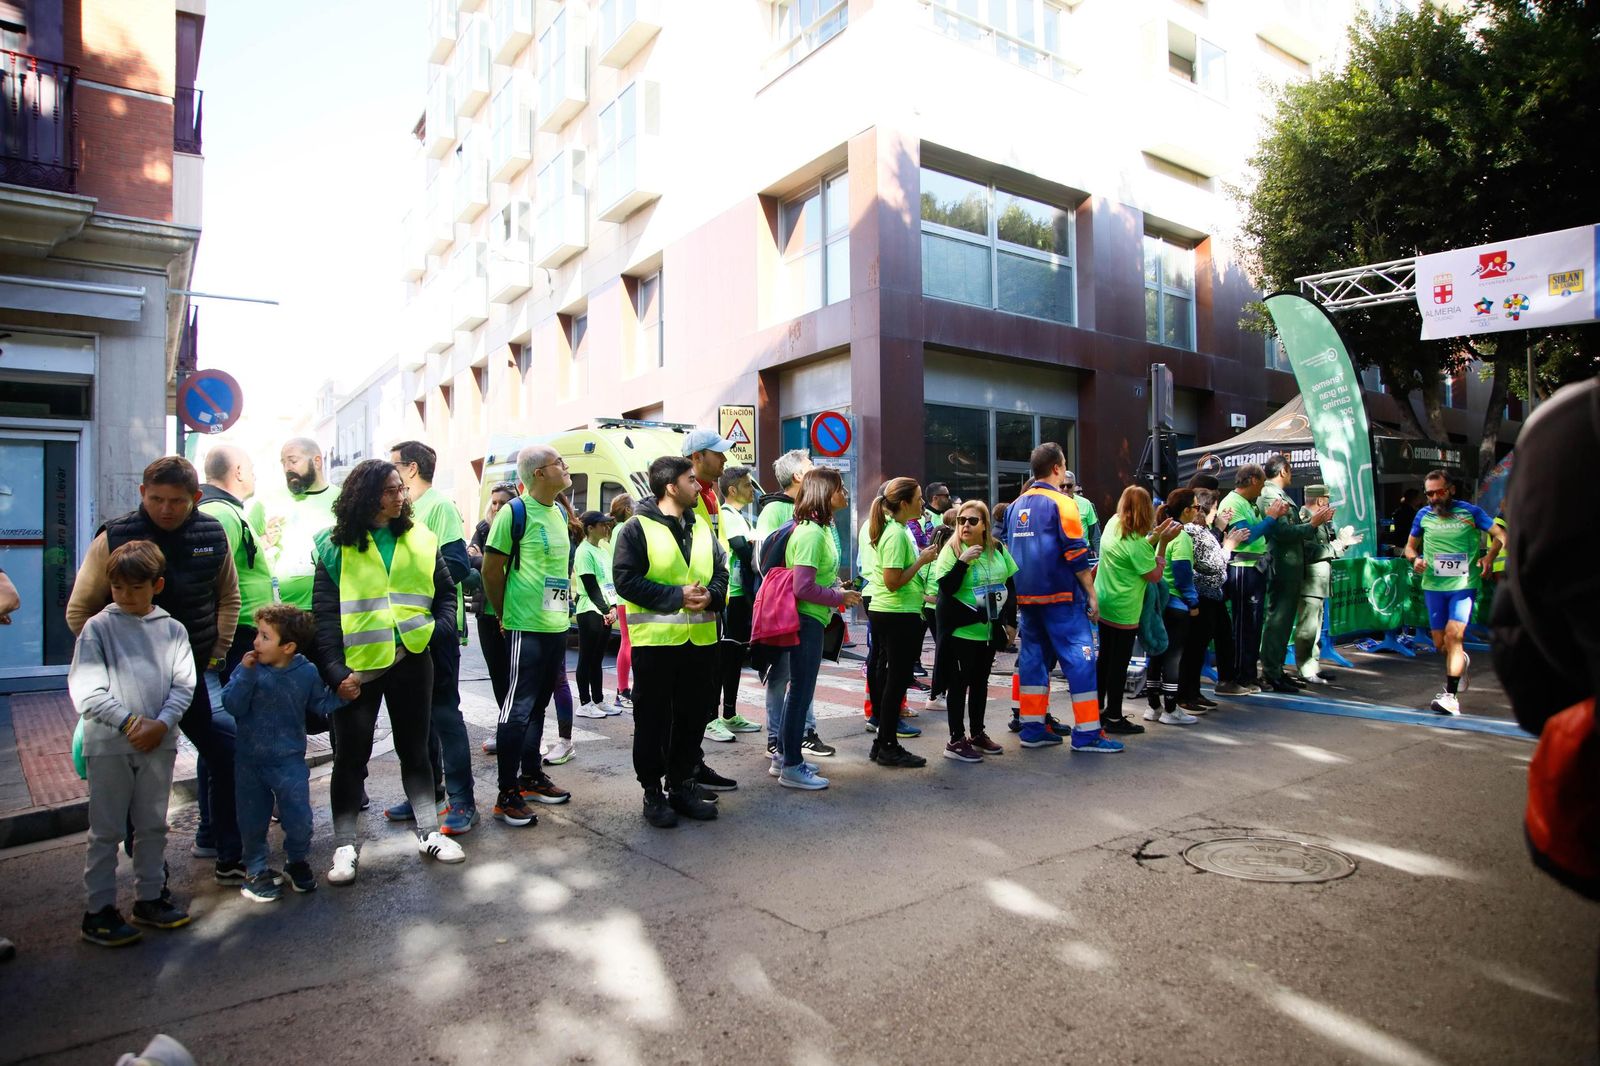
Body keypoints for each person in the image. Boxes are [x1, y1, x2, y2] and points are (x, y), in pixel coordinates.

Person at [67, 456, 245, 884]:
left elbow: (229, 597)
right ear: (142, 494)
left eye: (177, 501)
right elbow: (80, 611)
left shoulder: (212, 533)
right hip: (129, 688)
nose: (166, 508)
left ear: (195, 499)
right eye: (158, 499)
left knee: (225, 752)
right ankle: (147, 864)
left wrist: (216, 654)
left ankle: (227, 852)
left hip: (193, 675)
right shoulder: (115, 537)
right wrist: (115, 657)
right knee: (135, 770)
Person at [310, 458, 465, 883]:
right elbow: (323, 616)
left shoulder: (422, 537)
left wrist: (438, 632)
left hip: (413, 659)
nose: (401, 496)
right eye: (390, 490)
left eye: (402, 488)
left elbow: (446, 593)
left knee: (416, 750)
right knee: (350, 758)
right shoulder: (332, 544)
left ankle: (429, 832)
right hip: (357, 671)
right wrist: (334, 670)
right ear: (365, 495)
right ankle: (345, 846)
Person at [71, 541, 197, 946]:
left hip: (158, 744)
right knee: (105, 831)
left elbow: (184, 685)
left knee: (152, 826)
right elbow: (87, 691)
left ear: (156, 585)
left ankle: (149, 897)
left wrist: (160, 725)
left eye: (135, 588)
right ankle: (99, 910)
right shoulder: (97, 628)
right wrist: (129, 723)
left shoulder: (172, 629)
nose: (125, 597)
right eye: (118, 588)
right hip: (109, 745)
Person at [612, 456, 729, 823]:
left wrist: (711, 595)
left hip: (701, 641)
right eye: (691, 480)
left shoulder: (702, 528)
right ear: (671, 487)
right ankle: (652, 793)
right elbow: (625, 581)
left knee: (693, 718)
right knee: (653, 720)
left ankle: (681, 786)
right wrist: (676, 596)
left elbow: (723, 573)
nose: (698, 486)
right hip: (657, 643)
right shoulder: (635, 528)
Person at [481, 444, 577, 829]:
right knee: (517, 708)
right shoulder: (513, 513)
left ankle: (530, 776)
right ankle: (506, 795)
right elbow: (491, 570)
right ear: (539, 473)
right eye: (560, 463)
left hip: (555, 626)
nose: (566, 467)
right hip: (526, 626)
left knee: (538, 706)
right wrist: (506, 614)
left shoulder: (556, 510)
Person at [221, 603, 341, 902]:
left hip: (289, 760)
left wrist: (343, 696)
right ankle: (256, 869)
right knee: (252, 818)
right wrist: (246, 675)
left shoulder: (305, 671)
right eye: (258, 634)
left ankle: (296, 860)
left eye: (264, 636)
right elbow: (232, 705)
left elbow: (320, 705)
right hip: (249, 761)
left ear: (288, 647)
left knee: (299, 816)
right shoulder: (248, 667)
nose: (255, 643)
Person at [388, 441, 477, 835]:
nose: (389, 475)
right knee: (415, 719)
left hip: (435, 631)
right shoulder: (399, 511)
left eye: (393, 467)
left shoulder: (437, 506)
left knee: (443, 714)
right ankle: (426, 794)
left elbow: (457, 565)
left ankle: (462, 801)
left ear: (410, 469)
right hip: (404, 632)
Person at [1005, 443, 1116, 752]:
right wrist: (1091, 594)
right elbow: (1076, 552)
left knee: (1032, 661)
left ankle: (1032, 727)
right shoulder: (1063, 503)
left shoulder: (1016, 505)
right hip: (1062, 597)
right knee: (1081, 662)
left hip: (1028, 599)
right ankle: (1087, 734)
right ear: (1057, 468)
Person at [771, 467, 862, 788]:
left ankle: (784, 755)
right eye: (840, 489)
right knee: (800, 694)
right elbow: (802, 587)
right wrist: (840, 596)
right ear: (825, 493)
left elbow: (813, 580)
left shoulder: (818, 530)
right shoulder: (810, 532)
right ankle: (792, 766)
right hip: (806, 621)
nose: (845, 494)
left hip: (813, 620)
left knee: (798, 692)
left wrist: (837, 586)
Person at [1405, 470, 1503, 714]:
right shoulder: (1423, 515)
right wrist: (1414, 559)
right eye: (1430, 494)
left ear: (1451, 490)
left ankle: (1451, 696)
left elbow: (1500, 535)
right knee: (1441, 643)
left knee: (1454, 635)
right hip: (1433, 586)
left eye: (1440, 491)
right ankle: (1460, 662)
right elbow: (1409, 547)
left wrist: (1489, 558)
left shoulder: (1470, 512)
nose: (1435, 498)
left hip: (1463, 585)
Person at [756, 448, 831, 756]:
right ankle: (777, 738)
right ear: (799, 475)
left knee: (803, 676)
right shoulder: (774, 510)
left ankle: (804, 732)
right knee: (782, 674)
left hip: (811, 603)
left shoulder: (816, 513)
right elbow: (763, 560)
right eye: (811, 466)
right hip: (787, 605)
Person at [930, 500, 1017, 762]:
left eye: (972, 521)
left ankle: (977, 733)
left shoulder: (998, 548)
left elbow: (1010, 585)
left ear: (985, 525)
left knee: (980, 683)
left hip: (987, 630)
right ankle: (956, 739)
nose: (965, 525)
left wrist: (1011, 623)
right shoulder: (952, 549)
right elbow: (946, 589)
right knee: (959, 685)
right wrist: (963, 562)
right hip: (961, 632)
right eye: (961, 520)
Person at [1095, 486, 1182, 733]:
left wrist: (1154, 536)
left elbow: (1138, 549)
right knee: (1118, 665)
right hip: (1125, 609)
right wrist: (1162, 544)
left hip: (1105, 602)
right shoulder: (1137, 545)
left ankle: (1098, 711)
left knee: (1105, 661)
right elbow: (1154, 575)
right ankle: (1114, 717)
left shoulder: (1112, 524)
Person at [863, 478, 936, 769]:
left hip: (894, 612)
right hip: (895, 613)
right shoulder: (894, 533)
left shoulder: (898, 529)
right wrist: (922, 560)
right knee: (896, 681)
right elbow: (893, 581)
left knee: (890, 678)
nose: (923, 503)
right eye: (919, 498)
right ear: (903, 503)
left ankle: (883, 742)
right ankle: (888, 745)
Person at [1257, 455, 1334, 693]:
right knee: (1278, 622)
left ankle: (1277, 670)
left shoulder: (1279, 496)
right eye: (1289, 471)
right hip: (1283, 566)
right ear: (1283, 472)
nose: (1291, 476)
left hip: (1290, 567)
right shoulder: (1271, 496)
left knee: (1283, 621)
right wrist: (1312, 524)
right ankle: (1271, 671)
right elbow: (1282, 532)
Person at [1214, 463, 1289, 696]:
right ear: (1254, 480)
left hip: (1255, 567)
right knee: (1244, 625)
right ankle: (1239, 675)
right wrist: (1271, 518)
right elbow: (1247, 537)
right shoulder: (1232, 504)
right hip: (1242, 568)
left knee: (1254, 625)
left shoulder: (1248, 503)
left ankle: (1249, 673)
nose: (1263, 489)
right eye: (1262, 483)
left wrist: (1268, 520)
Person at [199, 445, 274, 680]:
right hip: (237, 634)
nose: (255, 476)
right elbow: (211, 577)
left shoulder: (228, 511)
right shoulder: (222, 514)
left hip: (242, 630)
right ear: (239, 471)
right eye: (252, 469)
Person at [1177, 488, 1248, 712]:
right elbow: (1211, 564)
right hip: (1200, 596)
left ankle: (1194, 693)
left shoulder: (1204, 531)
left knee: (1202, 646)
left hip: (1211, 595)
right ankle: (1185, 695)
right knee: (1193, 648)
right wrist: (1228, 547)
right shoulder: (1193, 532)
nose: (1218, 513)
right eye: (1215, 508)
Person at [709, 466, 763, 741]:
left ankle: (729, 713)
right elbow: (744, 551)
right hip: (731, 595)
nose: (752, 490)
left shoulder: (741, 517)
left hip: (742, 596)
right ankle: (710, 718)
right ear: (732, 490)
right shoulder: (727, 515)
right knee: (722, 659)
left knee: (734, 657)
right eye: (747, 485)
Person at [1142, 489, 1201, 725]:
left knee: (1156, 652)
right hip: (1176, 604)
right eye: (1196, 507)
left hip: (1158, 602)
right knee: (1173, 657)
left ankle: (1154, 706)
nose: (1199, 512)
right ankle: (1171, 708)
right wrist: (1193, 602)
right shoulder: (1181, 536)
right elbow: (1183, 572)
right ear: (1186, 510)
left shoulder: (1159, 533)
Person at [1294, 485, 1362, 684]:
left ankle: (1313, 665)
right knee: (1307, 628)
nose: (1329, 504)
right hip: (1310, 581)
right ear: (1320, 501)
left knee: (1315, 628)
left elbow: (1327, 548)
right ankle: (1305, 668)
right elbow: (1310, 551)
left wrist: (1343, 543)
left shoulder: (1319, 521)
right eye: (1327, 499)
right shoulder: (1305, 520)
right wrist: (1337, 544)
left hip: (1319, 582)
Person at [261, 438, 337, 610]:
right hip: (282, 611)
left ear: (317, 461)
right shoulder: (268, 501)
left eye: (293, 461)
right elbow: (249, 549)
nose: (288, 468)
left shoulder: (343, 499)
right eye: (284, 463)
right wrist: (265, 539)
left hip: (329, 608)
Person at [471, 481, 517, 753]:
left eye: (503, 502)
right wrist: (486, 561)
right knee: (498, 675)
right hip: (485, 614)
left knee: (515, 678)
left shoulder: (518, 526)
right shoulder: (483, 528)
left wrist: (484, 559)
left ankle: (517, 732)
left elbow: (509, 565)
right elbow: (470, 561)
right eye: (494, 502)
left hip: (511, 613)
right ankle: (505, 730)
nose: (497, 507)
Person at [573, 510, 619, 716]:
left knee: (597, 658)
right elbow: (590, 585)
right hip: (590, 609)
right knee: (587, 656)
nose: (606, 528)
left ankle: (598, 699)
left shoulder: (603, 550)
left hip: (606, 610)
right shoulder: (584, 551)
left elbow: (609, 582)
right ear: (590, 528)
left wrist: (614, 607)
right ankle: (584, 702)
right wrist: (606, 609)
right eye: (602, 525)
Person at [609, 493, 637, 711]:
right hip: (627, 595)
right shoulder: (625, 529)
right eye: (634, 506)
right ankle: (622, 690)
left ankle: (624, 689)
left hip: (623, 595)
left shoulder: (618, 530)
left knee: (628, 642)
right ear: (627, 510)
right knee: (628, 642)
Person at [1061, 471, 1100, 555]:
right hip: (1061, 552)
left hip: (1083, 551)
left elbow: (1095, 535)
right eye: (1062, 485)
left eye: (1069, 486)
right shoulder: (1052, 503)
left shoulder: (1086, 503)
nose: (1065, 488)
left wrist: (1099, 556)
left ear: (1074, 486)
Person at [1384, 488, 1423, 554]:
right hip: (1405, 546)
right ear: (1414, 499)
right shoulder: (1411, 513)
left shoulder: (1397, 511)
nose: (1420, 499)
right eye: (1419, 497)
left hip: (1397, 545)